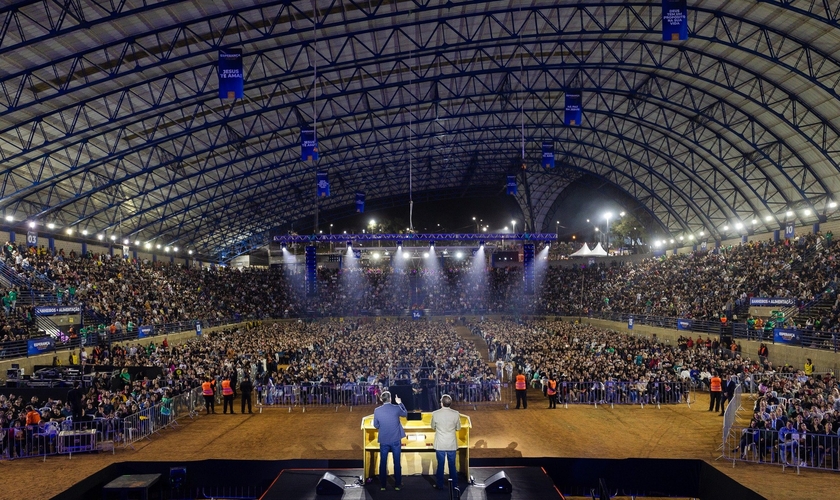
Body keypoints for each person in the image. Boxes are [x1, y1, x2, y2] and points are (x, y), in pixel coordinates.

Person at [373, 390, 407, 491]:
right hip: (395, 439)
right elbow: (405, 413)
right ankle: (397, 485)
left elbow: (376, 425)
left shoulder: (377, 410)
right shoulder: (396, 408)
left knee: (383, 462)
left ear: (381, 400)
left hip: (384, 440)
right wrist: (400, 402)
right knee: (397, 462)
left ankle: (383, 485)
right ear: (390, 399)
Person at [430, 394, 462, 491]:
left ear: (441, 403)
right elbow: (458, 428)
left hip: (440, 443)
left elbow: (432, 427)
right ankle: (454, 485)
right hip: (451, 443)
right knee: (452, 465)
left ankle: (440, 485)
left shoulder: (435, 414)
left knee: (440, 465)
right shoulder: (456, 414)